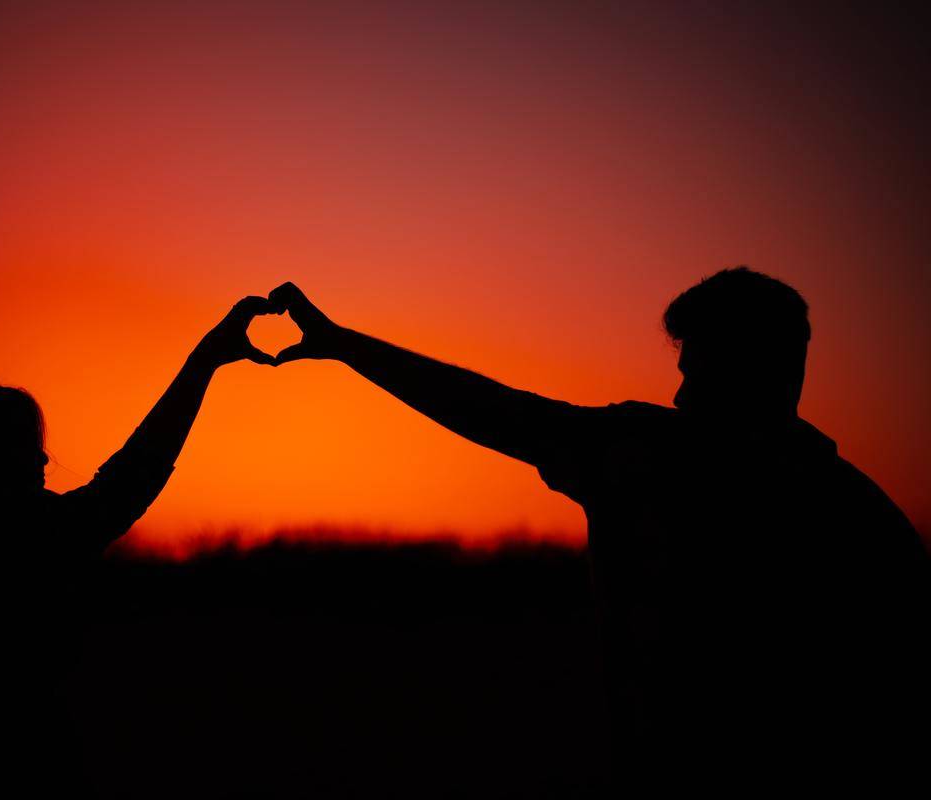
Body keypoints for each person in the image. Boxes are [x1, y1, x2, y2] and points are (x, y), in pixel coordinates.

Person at [267, 269, 929, 794]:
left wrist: (345, 346)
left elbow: (495, 412)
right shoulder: (864, 516)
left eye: (696, 376)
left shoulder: (650, 458)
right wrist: (344, 345)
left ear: (762, 373)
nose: (680, 398)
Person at [0, 296, 281, 795]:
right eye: (23, 446)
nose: (43, 460)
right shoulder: (29, 549)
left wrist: (204, 359)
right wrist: (203, 361)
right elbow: (130, 480)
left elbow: (124, 483)